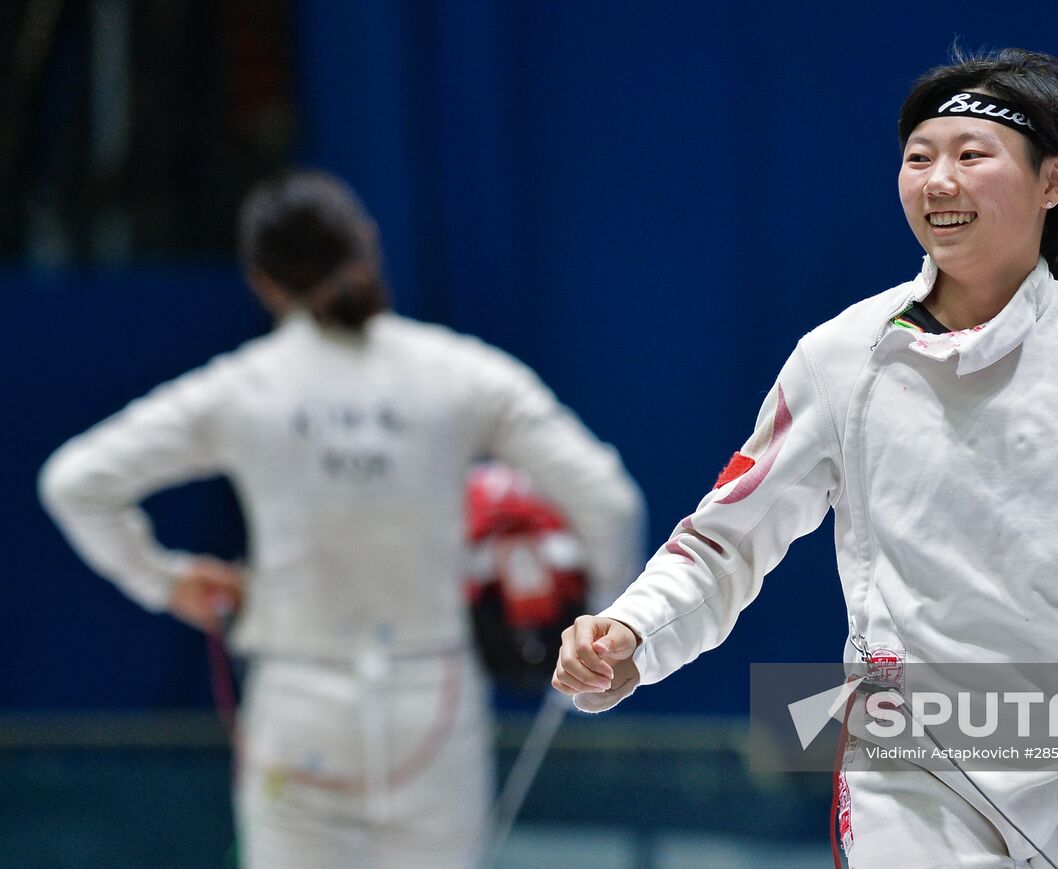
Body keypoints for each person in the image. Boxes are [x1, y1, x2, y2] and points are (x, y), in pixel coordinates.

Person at [552, 46, 1058, 868]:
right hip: (909, 768)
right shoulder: (843, 358)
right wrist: (633, 631)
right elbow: (726, 538)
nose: (937, 181)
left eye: (971, 155)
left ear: (1052, 182)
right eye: (919, 158)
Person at [39, 169, 644, 869]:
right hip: (434, 707)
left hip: (299, 710)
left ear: (263, 280)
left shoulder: (243, 387)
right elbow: (609, 500)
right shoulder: (460, 373)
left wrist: (165, 580)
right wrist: (595, 636)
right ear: (367, 245)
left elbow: (75, 481)